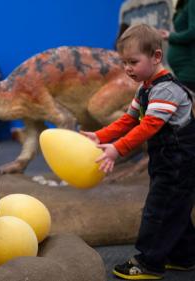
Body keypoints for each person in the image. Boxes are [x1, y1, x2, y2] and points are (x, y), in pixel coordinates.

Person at [82, 24, 195, 280]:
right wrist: (100, 136)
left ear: (156, 57)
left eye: (133, 61)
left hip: (179, 163)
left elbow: (148, 127)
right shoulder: (145, 87)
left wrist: (116, 150)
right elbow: (128, 120)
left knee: (158, 210)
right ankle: (185, 255)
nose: (127, 68)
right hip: (166, 161)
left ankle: (149, 263)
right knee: (176, 207)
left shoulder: (167, 90)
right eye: (124, 62)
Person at [159, 0, 195, 92]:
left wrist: (170, 36)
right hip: (182, 71)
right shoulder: (184, 3)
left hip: (189, 70)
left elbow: (193, 33)